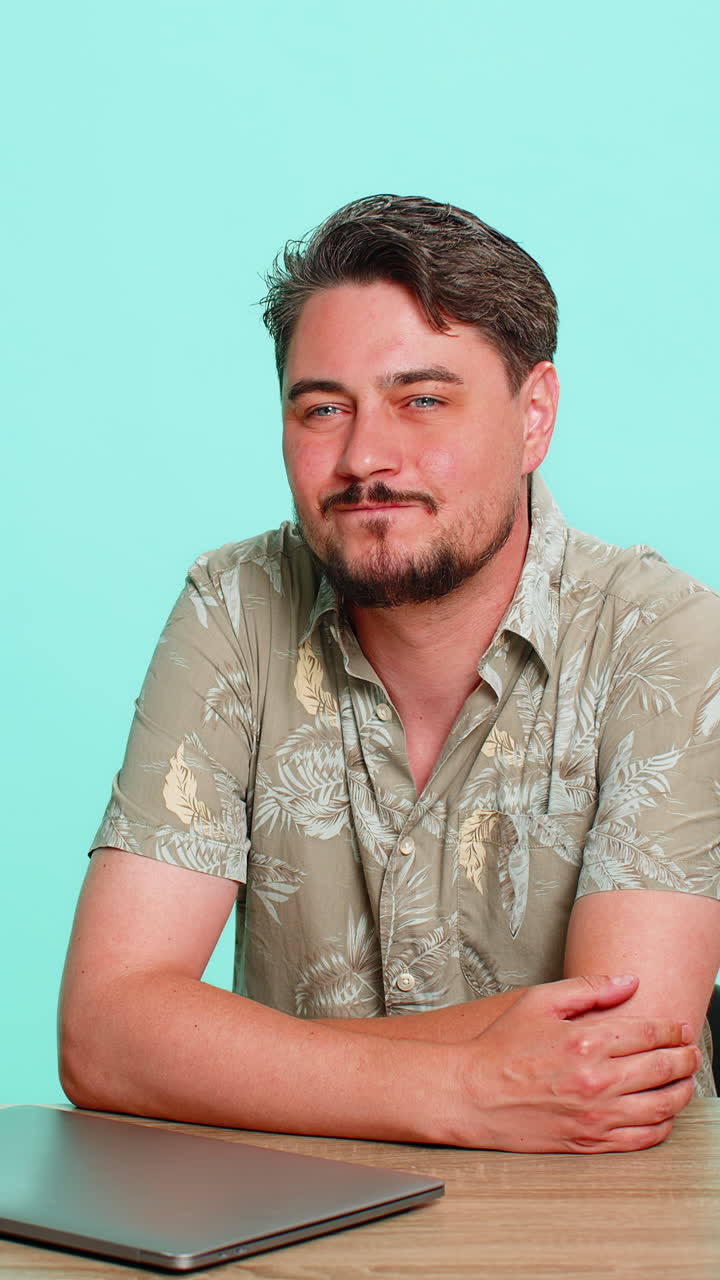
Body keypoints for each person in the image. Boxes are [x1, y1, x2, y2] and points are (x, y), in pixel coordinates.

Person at [59, 195, 720, 1154]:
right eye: (324, 407)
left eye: (423, 399)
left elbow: (621, 1060)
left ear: (534, 417)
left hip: (592, 1232)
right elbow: (103, 1036)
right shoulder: (233, 607)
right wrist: (459, 1086)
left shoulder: (666, 638)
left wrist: (225, 1057)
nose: (365, 456)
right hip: (299, 1230)